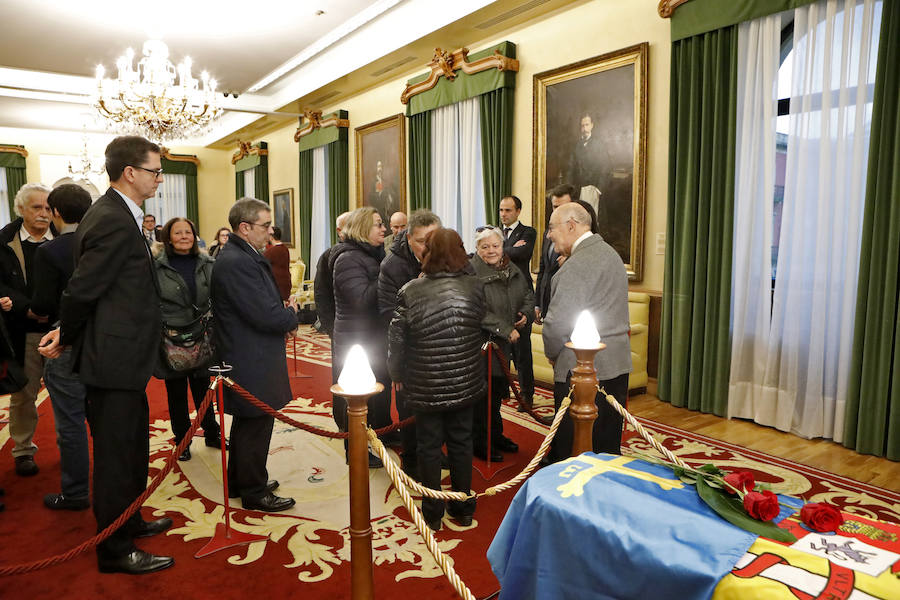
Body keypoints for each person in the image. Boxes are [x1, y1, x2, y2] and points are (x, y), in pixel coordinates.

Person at [39, 136, 174, 574]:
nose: (159, 178)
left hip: (124, 358)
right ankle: (115, 550)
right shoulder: (113, 218)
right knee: (117, 457)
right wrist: (66, 333)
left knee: (132, 449)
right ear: (131, 172)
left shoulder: (119, 215)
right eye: (155, 171)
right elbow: (83, 288)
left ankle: (129, 520)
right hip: (113, 359)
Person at [388, 228, 485, 531]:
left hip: (425, 381)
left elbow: (397, 341)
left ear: (427, 252)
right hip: (465, 380)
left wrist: (396, 373)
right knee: (461, 442)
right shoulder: (475, 287)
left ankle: (432, 512)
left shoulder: (410, 290)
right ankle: (464, 507)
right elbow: (479, 328)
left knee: (429, 446)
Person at [211, 198, 298, 512]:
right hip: (249, 354)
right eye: (265, 225)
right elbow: (263, 314)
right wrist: (291, 316)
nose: (270, 230)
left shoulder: (240, 255)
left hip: (249, 351)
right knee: (255, 421)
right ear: (244, 228)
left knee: (250, 422)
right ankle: (253, 490)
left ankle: (242, 480)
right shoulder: (238, 261)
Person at [542, 202, 631, 462]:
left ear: (571, 226)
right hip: (615, 364)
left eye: (551, 228)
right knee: (607, 444)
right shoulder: (610, 254)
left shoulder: (578, 264)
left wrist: (552, 353)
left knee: (574, 449)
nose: (548, 235)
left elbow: (558, 323)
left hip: (583, 370)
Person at [30, 184, 92, 510]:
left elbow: (42, 304)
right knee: (106, 420)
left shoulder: (50, 251)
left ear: (55, 213)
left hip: (62, 342)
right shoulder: (102, 244)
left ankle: (76, 492)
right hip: (102, 341)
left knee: (70, 422)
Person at [378, 209, 441, 477]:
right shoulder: (393, 265)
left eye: (434, 239)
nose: (429, 247)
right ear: (408, 237)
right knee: (409, 409)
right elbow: (388, 315)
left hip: (439, 349)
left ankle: (435, 453)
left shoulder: (445, 256)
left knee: (438, 408)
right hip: (410, 351)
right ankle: (412, 459)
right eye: (422, 241)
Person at [154, 217, 222, 462]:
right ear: (168, 238)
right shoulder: (156, 266)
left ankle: (212, 433)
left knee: (204, 388)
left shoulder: (208, 262)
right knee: (177, 392)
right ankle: (182, 441)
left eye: (188, 232)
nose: (184, 236)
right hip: (171, 337)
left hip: (203, 333)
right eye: (178, 232)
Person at [0, 182, 54, 477]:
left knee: (69, 393)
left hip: (61, 328)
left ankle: (72, 446)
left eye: (48, 208)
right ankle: (22, 450)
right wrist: (26, 308)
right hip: (23, 329)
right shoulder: (3, 242)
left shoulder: (63, 239)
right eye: (37, 207)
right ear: (20, 209)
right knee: (24, 393)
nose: (44, 213)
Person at [329, 207, 390, 467]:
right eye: (378, 224)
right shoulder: (348, 259)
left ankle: (372, 439)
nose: (384, 229)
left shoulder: (371, 256)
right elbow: (361, 300)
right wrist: (388, 277)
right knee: (353, 399)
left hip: (369, 338)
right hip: (354, 340)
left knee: (372, 397)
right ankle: (355, 451)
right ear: (363, 228)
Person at [470, 226, 534, 462]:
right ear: (477, 249)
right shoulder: (471, 273)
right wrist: (505, 330)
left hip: (503, 348)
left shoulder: (511, 267)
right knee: (482, 400)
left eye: (495, 245)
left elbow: (527, 294)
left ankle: (496, 437)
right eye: (485, 247)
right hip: (482, 348)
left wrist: (526, 314)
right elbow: (476, 310)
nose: (491, 251)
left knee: (496, 397)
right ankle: (480, 443)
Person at [498, 195, 537, 411]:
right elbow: (486, 255)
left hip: (521, 297)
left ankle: (527, 395)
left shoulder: (527, 232)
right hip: (500, 297)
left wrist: (497, 250)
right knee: (502, 349)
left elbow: (521, 253)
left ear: (518, 211)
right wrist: (505, 250)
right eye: (501, 210)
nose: (504, 214)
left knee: (523, 351)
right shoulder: (495, 231)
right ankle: (504, 389)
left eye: (508, 210)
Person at [535, 184, 575, 326]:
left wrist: (570, 261)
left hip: (567, 308)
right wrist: (537, 304)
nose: (557, 212)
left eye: (561, 208)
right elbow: (543, 269)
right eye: (554, 207)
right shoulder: (548, 233)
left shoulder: (579, 238)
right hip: (546, 302)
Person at [313, 211, 350, 337]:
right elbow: (321, 293)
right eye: (350, 226)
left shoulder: (368, 252)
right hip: (338, 325)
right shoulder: (328, 256)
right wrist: (330, 327)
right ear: (339, 231)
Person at [265, 225, 292, 301]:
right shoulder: (285, 249)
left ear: (271, 237)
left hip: (277, 284)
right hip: (286, 282)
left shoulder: (271, 251)